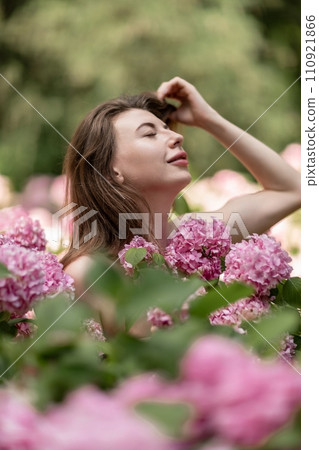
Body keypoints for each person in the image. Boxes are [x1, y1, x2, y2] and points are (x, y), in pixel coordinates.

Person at [61, 77, 300, 333]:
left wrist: (208, 119)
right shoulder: (89, 274)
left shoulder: (197, 239)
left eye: (167, 128)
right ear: (110, 171)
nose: (176, 136)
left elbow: (292, 191)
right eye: (150, 134)